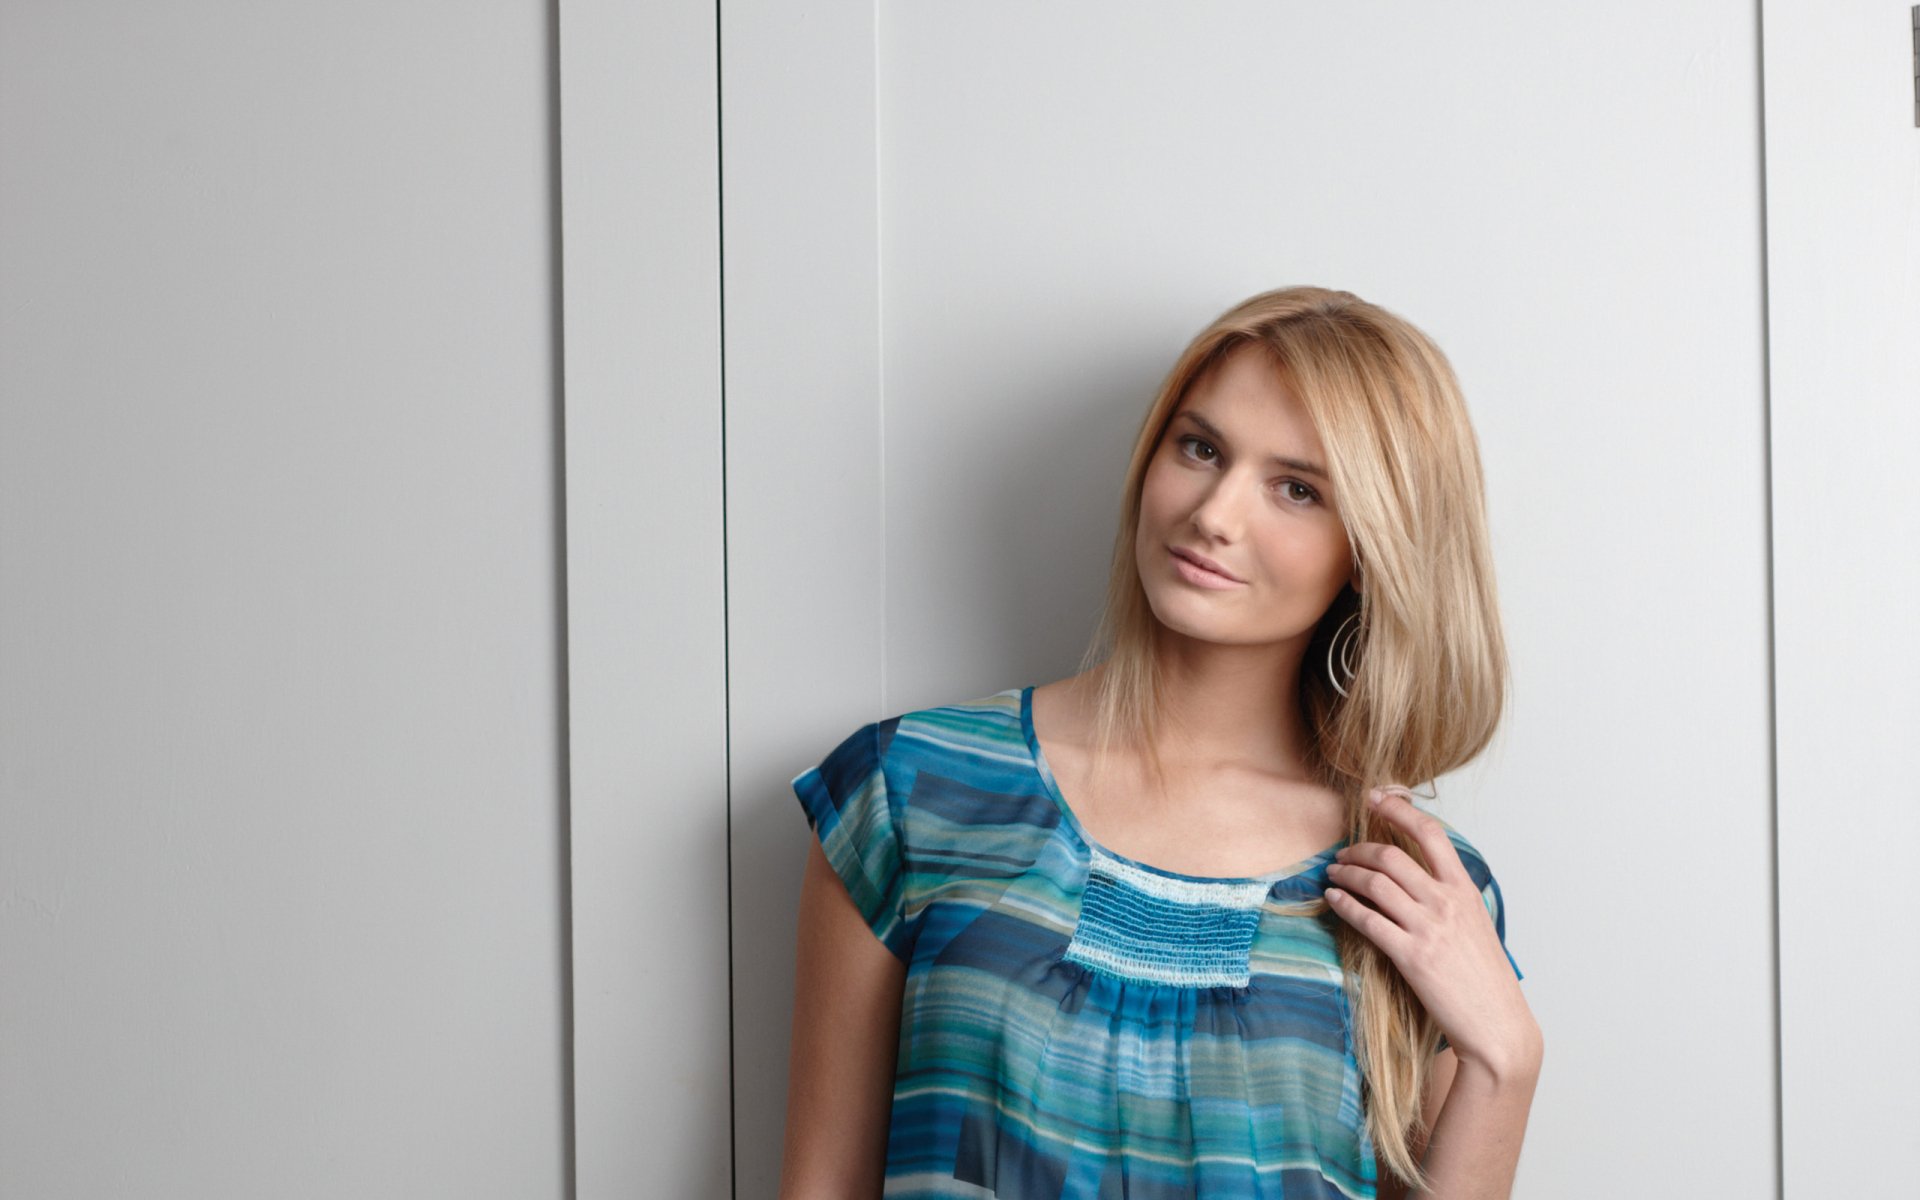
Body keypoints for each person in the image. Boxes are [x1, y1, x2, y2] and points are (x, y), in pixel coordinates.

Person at [780, 285, 1543, 1199]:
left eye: (1297, 489)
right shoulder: (911, 790)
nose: (1215, 514)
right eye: (1201, 447)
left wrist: (1506, 1064)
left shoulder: (1413, 883)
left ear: (1370, 550)